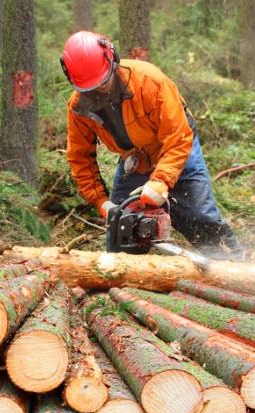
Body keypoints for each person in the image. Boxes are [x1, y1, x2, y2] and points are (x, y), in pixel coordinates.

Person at [60, 30, 243, 260]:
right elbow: (80, 157)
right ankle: (123, 284)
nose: (99, 90)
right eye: (90, 88)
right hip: (135, 158)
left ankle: (234, 266)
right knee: (121, 226)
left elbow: (177, 138)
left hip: (176, 147)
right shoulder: (79, 107)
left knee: (201, 217)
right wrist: (101, 202)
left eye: (103, 82)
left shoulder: (150, 82)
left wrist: (160, 183)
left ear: (112, 59)